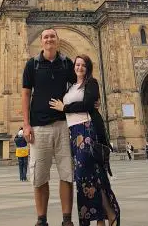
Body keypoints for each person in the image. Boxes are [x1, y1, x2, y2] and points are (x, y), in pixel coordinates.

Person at [50, 54, 120, 226]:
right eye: (77, 64)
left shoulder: (91, 83)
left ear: (87, 68)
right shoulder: (72, 87)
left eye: (83, 65)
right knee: (86, 179)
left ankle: (105, 217)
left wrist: (65, 107)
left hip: (87, 131)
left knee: (88, 176)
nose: (79, 67)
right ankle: (103, 218)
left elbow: (88, 104)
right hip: (74, 133)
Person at [22, 28, 76, 226]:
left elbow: (79, 84)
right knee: (39, 176)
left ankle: (67, 219)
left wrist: (90, 100)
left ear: (57, 40)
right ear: (41, 41)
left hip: (63, 125)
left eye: (52, 37)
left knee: (67, 174)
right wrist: (26, 125)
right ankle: (41, 219)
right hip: (39, 127)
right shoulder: (32, 65)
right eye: (46, 37)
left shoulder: (66, 63)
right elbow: (26, 94)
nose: (49, 40)